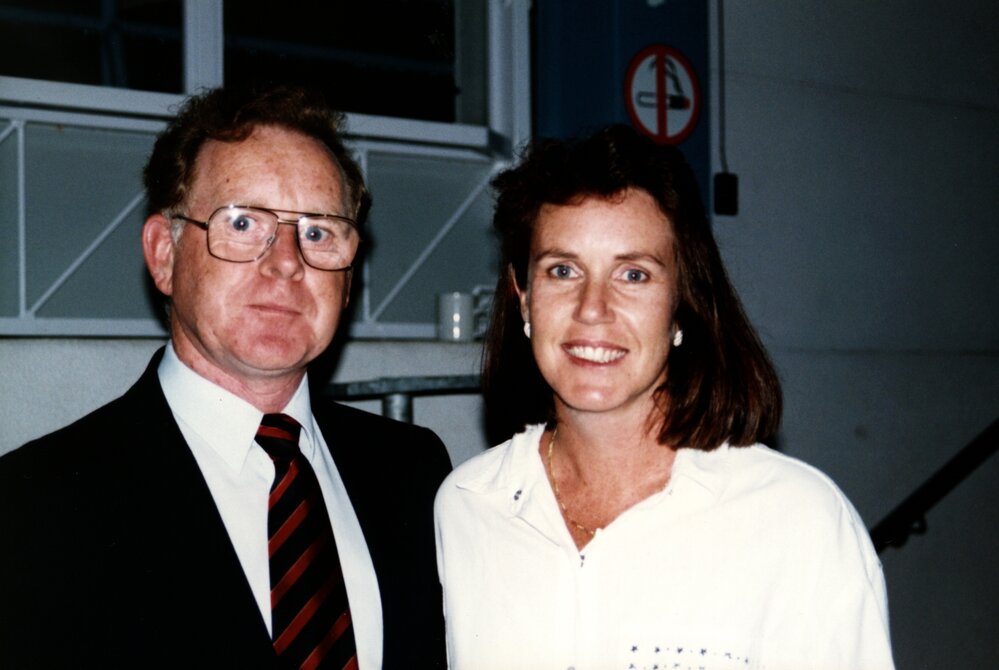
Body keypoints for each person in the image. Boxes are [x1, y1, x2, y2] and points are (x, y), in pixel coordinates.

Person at [0, 85, 451, 669]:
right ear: (165, 253)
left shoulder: (414, 472)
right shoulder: (35, 507)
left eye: (317, 232)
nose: (287, 261)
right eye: (243, 223)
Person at [434, 125, 895, 669]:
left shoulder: (798, 521)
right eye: (562, 270)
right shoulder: (468, 507)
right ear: (524, 298)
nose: (592, 308)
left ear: (681, 306)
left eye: (633, 274)